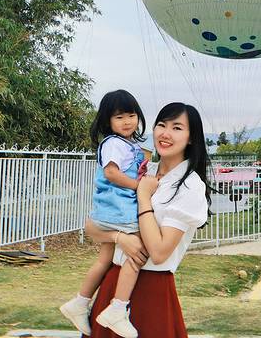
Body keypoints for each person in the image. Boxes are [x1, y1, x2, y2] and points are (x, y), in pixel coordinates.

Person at [83, 102, 211, 338]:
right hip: (113, 286)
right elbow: (91, 227)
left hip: (152, 291)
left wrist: (143, 196)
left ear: (191, 138)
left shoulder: (190, 186)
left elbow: (159, 252)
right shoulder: (140, 172)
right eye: (161, 125)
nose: (166, 133)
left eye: (177, 128)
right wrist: (119, 238)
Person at [60, 90, 147, 338]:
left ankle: (79, 302)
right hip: (120, 211)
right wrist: (139, 186)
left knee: (104, 259)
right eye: (119, 117)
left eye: (131, 115)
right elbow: (111, 173)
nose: (127, 121)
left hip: (108, 211)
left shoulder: (126, 144)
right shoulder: (113, 144)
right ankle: (118, 308)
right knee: (136, 255)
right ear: (108, 121)